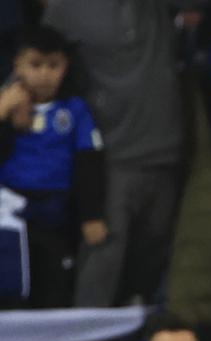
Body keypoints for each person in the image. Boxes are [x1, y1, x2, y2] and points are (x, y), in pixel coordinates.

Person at [44, 0, 185, 307]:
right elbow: (38, 59)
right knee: (102, 260)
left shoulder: (156, 9)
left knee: (156, 258)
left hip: (166, 150)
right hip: (109, 157)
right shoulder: (65, 10)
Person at [0, 25, 104, 308]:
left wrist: (91, 215)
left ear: (66, 66)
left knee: (54, 289)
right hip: (9, 215)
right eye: (35, 64)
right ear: (17, 64)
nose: (44, 74)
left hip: (56, 214)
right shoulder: (4, 104)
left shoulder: (75, 110)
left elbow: (89, 163)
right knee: (11, 290)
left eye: (53, 65)